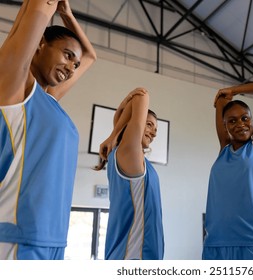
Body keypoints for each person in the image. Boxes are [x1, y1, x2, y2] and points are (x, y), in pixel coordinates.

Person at [0, 0, 96, 260]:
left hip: (54, 240)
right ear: (40, 43)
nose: (71, 68)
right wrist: (51, 9)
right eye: (67, 55)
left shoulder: (49, 100)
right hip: (15, 238)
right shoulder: (16, 89)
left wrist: (67, 14)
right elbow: (37, 9)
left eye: (74, 65)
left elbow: (90, 56)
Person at [202, 81, 253, 260]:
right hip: (216, 246)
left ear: (252, 120)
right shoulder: (224, 148)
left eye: (245, 118)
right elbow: (221, 100)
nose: (240, 123)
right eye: (232, 121)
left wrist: (235, 90)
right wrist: (224, 97)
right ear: (225, 127)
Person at [94, 87, 164, 260]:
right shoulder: (129, 153)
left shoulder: (129, 156)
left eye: (156, 128)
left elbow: (121, 116)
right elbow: (142, 95)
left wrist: (115, 131)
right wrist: (112, 135)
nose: (154, 132)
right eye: (149, 124)